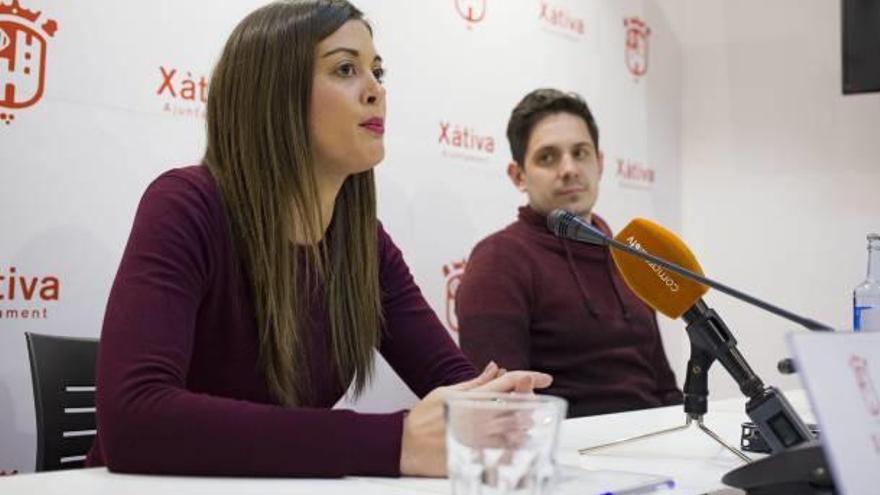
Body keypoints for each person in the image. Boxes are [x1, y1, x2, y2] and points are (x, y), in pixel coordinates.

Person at [86, 0, 550, 478]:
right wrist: (394, 443)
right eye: (346, 68)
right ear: (272, 93)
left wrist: (496, 405)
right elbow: (134, 421)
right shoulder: (186, 205)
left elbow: (453, 381)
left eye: (378, 71)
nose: (375, 91)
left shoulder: (361, 241)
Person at [456, 88, 681, 418]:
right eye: (547, 157)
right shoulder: (499, 260)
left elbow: (664, 387)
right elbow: (500, 409)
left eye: (581, 153)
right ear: (518, 175)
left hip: (654, 447)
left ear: (600, 164)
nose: (569, 169)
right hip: (567, 456)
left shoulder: (629, 254)